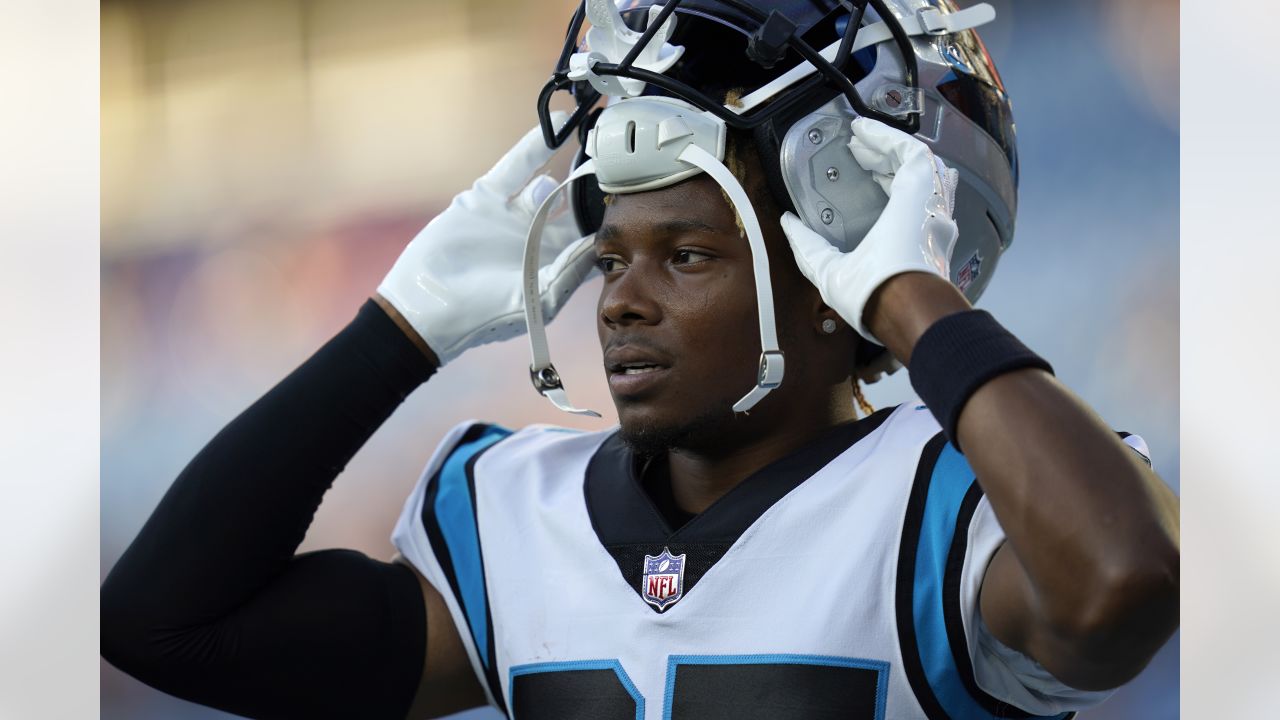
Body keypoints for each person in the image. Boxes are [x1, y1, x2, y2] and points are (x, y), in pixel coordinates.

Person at [101, 2, 1180, 719]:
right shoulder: (513, 512)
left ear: (831, 279)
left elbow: (1120, 586)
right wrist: (399, 328)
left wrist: (912, 302)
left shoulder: (952, 501)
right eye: (610, 253)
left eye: (687, 254)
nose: (619, 298)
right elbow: (162, 626)